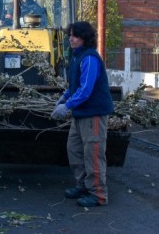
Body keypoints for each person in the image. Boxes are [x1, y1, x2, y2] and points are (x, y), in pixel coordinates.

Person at [51, 21, 114, 207]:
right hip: (80, 114)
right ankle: (84, 186)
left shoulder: (89, 58)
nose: (71, 38)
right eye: (70, 35)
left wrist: (67, 106)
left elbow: (86, 89)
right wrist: (64, 97)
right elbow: (75, 85)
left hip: (93, 114)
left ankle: (99, 194)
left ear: (85, 38)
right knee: (75, 150)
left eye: (75, 35)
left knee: (92, 154)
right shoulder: (76, 57)